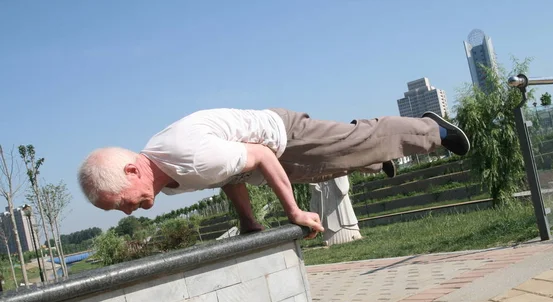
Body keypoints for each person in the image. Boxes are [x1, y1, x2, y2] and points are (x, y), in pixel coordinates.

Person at [78, 108, 469, 237]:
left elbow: (261, 155)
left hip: (285, 137)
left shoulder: (188, 157)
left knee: (357, 142)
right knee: (339, 162)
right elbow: (228, 177)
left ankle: (433, 129)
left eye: (120, 204)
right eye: (118, 212)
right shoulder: (165, 180)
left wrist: (293, 213)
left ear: (131, 171)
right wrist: (249, 222)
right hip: (272, 161)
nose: (127, 212)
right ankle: (373, 153)